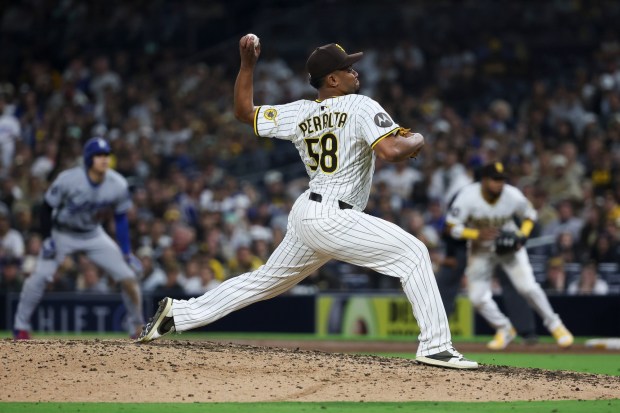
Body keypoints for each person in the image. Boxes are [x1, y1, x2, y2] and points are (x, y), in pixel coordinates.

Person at [137, 35, 478, 370]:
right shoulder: (360, 105)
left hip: (308, 213)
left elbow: (243, 112)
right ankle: (436, 347)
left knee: (266, 280)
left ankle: (178, 313)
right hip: (333, 214)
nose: (355, 73)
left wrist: (246, 66)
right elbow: (390, 151)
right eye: (347, 69)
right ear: (332, 79)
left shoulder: (299, 112)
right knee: (414, 253)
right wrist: (417, 137)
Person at [12, 137, 145, 339]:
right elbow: (46, 208)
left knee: (128, 277)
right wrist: (47, 238)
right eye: (99, 155)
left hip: (93, 234)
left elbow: (120, 219)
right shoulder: (69, 179)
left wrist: (126, 251)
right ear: (88, 159)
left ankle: (137, 327)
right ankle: (20, 326)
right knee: (39, 277)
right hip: (62, 233)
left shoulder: (117, 183)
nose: (104, 159)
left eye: (106, 155)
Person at [445, 162, 574, 350]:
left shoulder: (511, 194)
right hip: (480, 249)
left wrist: (522, 234)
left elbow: (530, 215)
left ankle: (556, 325)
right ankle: (504, 328)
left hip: (509, 247)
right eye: (495, 179)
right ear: (485, 180)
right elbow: (450, 226)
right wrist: (475, 235)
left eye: (502, 179)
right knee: (477, 298)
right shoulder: (468, 196)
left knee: (528, 288)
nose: (500, 183)